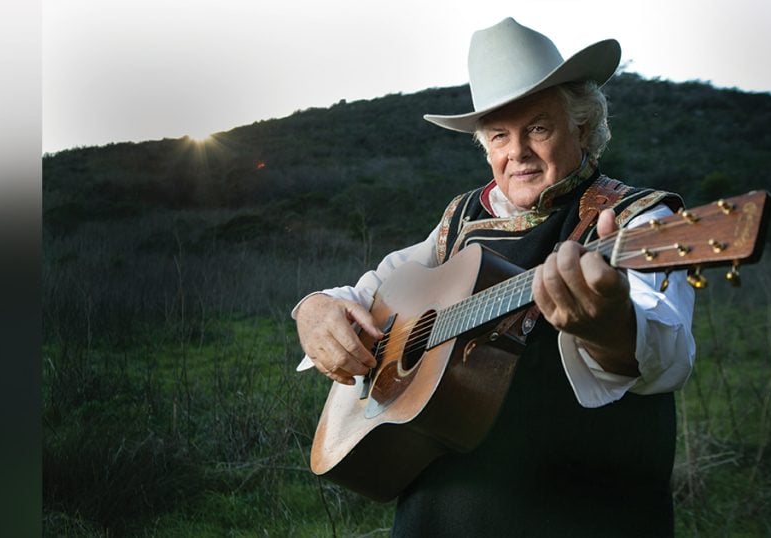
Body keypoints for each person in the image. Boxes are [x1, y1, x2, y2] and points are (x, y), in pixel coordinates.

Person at [293, 17, 695, 537]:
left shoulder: (639, 220)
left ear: (582, 126)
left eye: (539, 128)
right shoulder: (460, 218)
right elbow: (375, 287)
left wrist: (610, 325)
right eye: (500, 135)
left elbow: (668, 356)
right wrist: (314, 308)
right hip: (439, 515)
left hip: (584, 513)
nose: (518, 152)